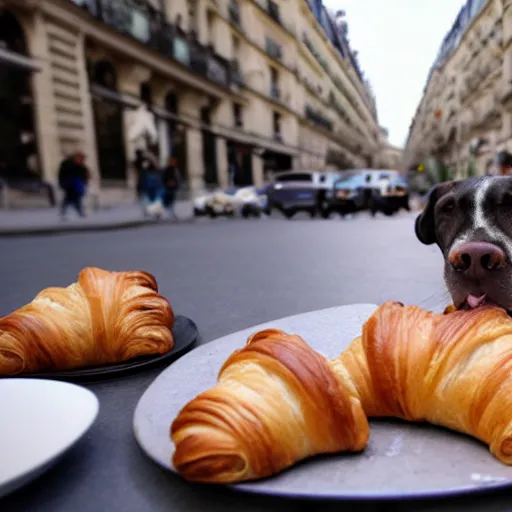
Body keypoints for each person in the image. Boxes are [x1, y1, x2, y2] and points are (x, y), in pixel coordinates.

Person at [58, 150, 89, 219]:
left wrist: (85, 181)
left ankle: (64, 212)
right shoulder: (68, 164)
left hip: (76, 184)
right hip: (70, 184)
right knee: (74, 198)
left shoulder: (79, 165)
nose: (82, 160)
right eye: (80, 158)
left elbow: (84, 174)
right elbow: (63, 175)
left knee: (70, 199)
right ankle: (79, 212)